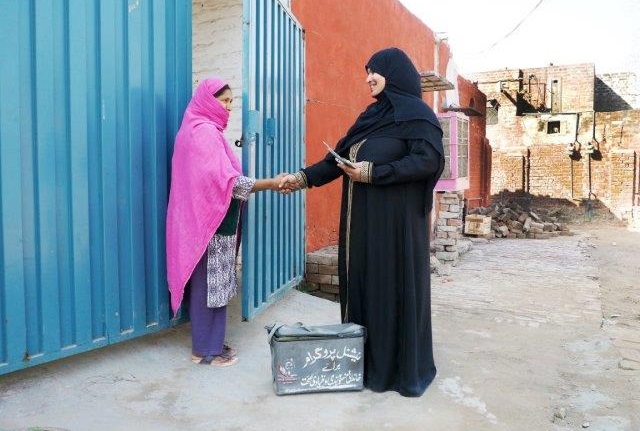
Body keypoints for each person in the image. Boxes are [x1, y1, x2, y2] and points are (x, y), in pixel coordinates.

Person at [280, 47, 445, 396]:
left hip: (395, 229)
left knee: (391, 289)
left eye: (375, 71)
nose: (367, 78)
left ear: (394, 73)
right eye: (366, 71)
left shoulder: (418, 116)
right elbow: (334, 162)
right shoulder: (370, 118)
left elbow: (428, 160)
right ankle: (366, 363)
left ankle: (395, 371)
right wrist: (298, 179)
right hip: (362, 228)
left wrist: (375, 172)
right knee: (365, 287)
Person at [166, 77, 285, 367]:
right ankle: (205, 351)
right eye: (223, 100)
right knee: (212, 286)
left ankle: (212, 342)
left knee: (211, 284)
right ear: (208, 101)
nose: (229, 107)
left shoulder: (194, 130)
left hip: (206, 220)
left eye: (231, 101)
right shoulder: (203, 132)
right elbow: (228, 183)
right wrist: (272, 182)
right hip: (211, 223)